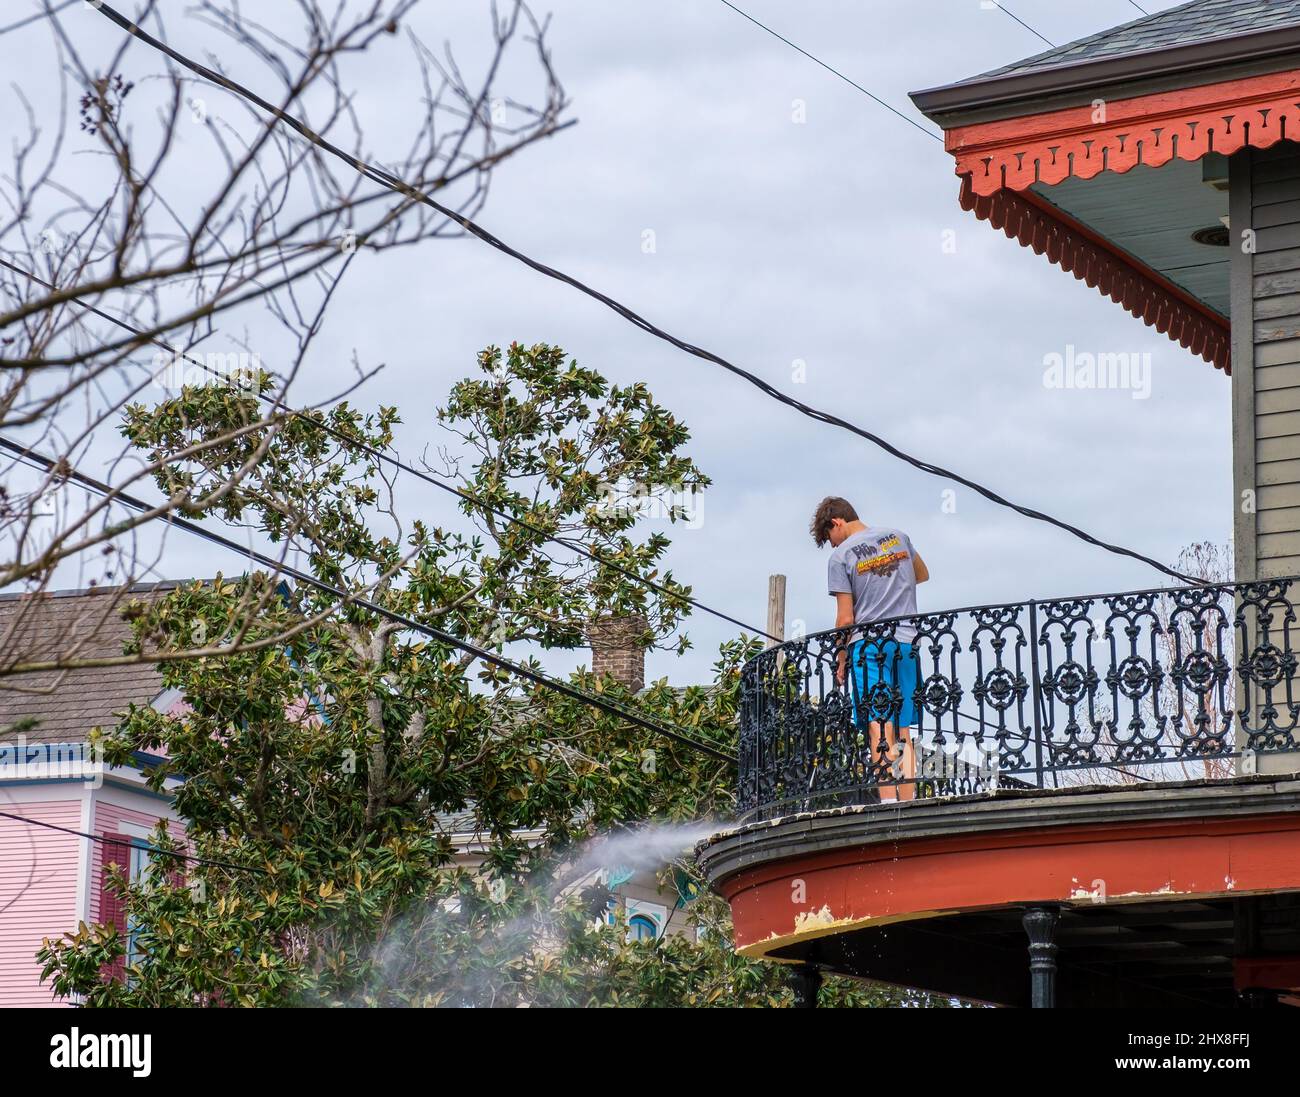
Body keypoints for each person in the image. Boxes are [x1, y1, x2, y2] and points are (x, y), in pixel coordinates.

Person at [811, 496, 929, 801]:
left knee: (879, 724)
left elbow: (845, 617)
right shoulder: (898, 537)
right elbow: (921, 575)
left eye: (829, 538)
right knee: (903, 728)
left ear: (836, 522)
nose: (832, 545)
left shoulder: (841, 558)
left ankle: (889, 803)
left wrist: (840, 657)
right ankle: (909, 801)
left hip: (868, 647)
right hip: (906, 642)